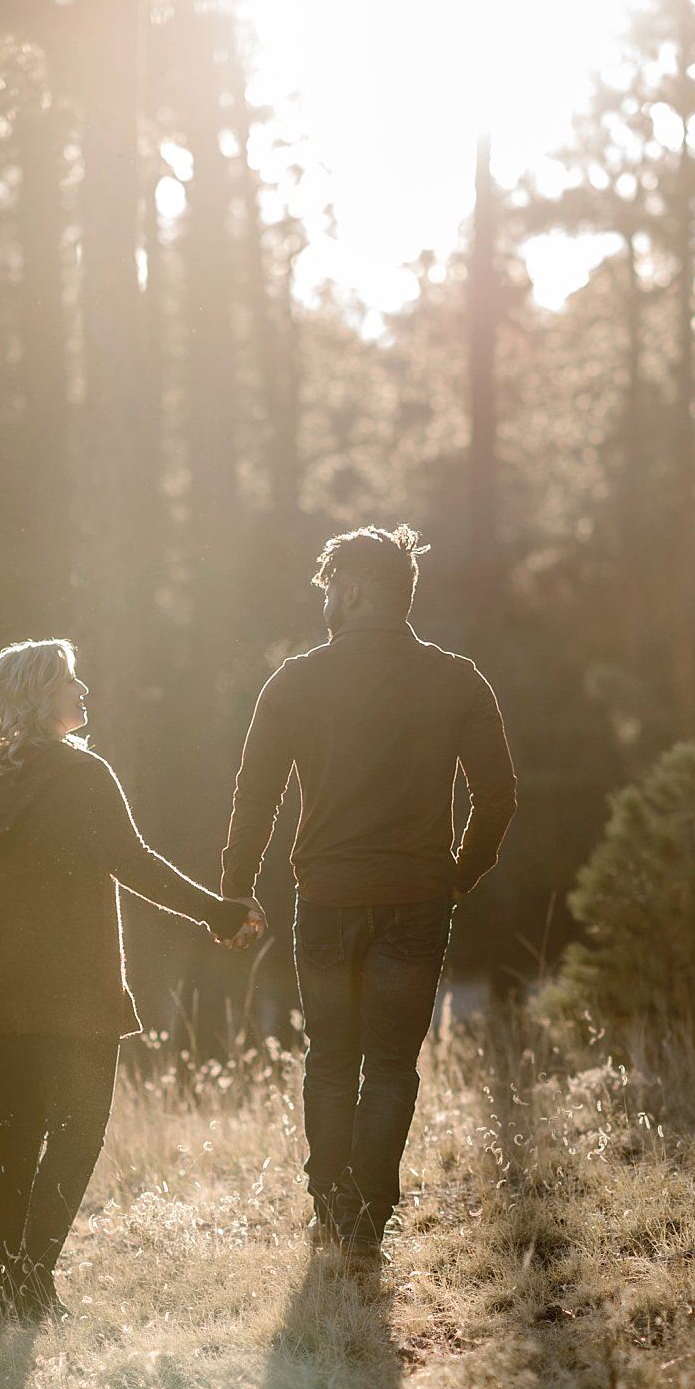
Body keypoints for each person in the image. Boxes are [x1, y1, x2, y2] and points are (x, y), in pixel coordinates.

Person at [221, 525, 517, 1264]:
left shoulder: (292, 681)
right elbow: (499, 794)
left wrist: (234, 888)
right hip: (417, 902)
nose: (324, 598)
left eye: (328, 586)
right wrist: (460, 872)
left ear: (351, 589)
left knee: (328, 1058)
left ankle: (331, 1212)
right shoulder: (457, 679)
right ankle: (363, 1231)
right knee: (390, 1064)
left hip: (323, 902)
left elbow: (253, 799)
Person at [0, 638, 258, 1322]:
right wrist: (218, 912)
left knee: (16, 1125)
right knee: (80, 1128)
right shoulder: (80, 774)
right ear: (39, 696)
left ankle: (8, 1284)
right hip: (70, 982)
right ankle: (30, 1279)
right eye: (70, 682)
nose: (83, 692)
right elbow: (134, 862)